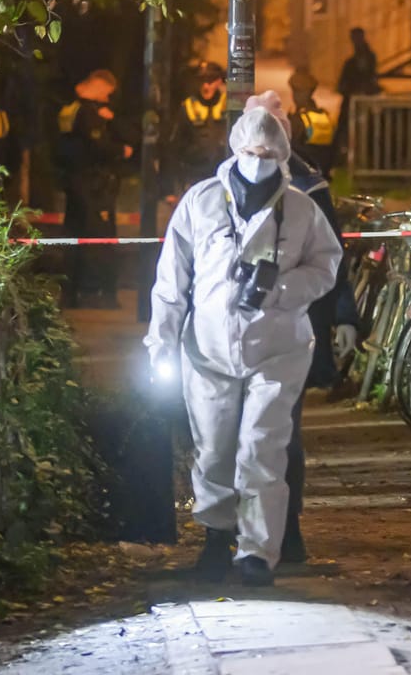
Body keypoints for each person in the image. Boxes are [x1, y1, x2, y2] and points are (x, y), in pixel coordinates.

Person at [145, 107, 343, 586]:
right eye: (252, 152)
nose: (259, 160)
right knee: (213, 448)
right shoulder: (200, 203)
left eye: (269, 153)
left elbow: (326, 266)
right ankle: (217, 537)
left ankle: (257, 552)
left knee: (262, 449)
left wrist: (279, 290)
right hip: (207, 351)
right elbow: (172, 282)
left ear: (284, 155)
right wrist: (161, 344)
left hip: (277, 350)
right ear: (235, 150)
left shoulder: (300, 209)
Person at [243, 91, 358, 563]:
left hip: (288, 330)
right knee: (229, 435)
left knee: (281, 431)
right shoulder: (219, 186)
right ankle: (235, 532)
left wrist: (345, 314)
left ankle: (285, 531)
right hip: (225, 334)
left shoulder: (308, 187)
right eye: (263, 118)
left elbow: (332, 257)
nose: (273, 126)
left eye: (280, 117)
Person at [57, 69, 132, 308]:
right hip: (93, 186)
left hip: (73, 182)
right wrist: (121, 151)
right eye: (107, 93)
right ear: (98, 86)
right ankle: (99, 293)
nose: (107, 99)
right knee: (100, 239)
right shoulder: (88, 113)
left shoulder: (68, 108)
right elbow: (98, 144)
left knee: (73, 237)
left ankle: (70, 293)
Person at [169, 61, 229, 195]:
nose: (205, 85)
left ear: (219, 81)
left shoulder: (229, 104)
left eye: (211, 80)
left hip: (222, 171)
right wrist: (172, 186)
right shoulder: (188, 106)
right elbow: (175, 145)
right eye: (202, 80)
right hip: (193, 172)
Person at [333, 27, 381, 168]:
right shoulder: (352, 62)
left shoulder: (366, 58)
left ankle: (361, 159)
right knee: (344, 129)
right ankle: (342, 158)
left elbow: (369, 77)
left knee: (362, 129)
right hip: (351, 101)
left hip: (361, 101)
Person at [288, 69, 336, 180]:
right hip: (323, 175)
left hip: (303, 176)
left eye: (295, 92)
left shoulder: (298, 119)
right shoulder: (324, 116)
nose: (294, 96)